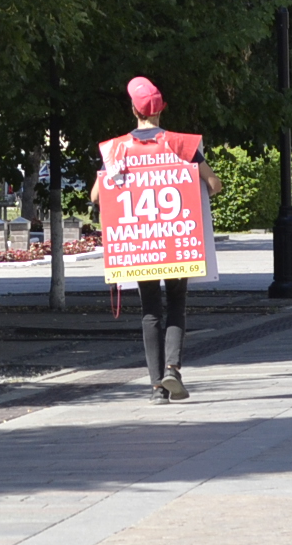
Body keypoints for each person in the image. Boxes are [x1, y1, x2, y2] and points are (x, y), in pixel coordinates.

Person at [92, 76, 223, 402]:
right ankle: (172, 369)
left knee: (150, 310)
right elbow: (214, 184)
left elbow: (96, 195)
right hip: (177, 239)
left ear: (133, 109)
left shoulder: (116, 149)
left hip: (141, 244)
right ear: (161, 109)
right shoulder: (181, 144)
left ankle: (155, 388)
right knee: (177, 303)